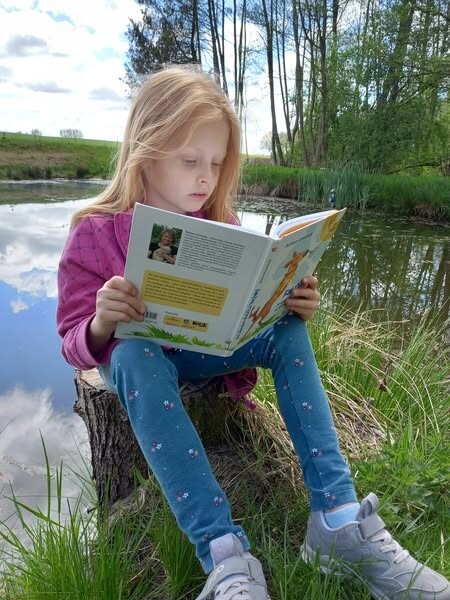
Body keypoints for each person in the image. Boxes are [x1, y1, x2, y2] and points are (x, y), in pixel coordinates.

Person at [57, 67, 449, 600]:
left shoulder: (223, 224)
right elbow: (71, 338)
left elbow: (245, 304)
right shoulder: (94, 231)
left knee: (287, 330)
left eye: (217, 163)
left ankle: (338, 521)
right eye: (190, 160)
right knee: (130, 356)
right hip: (143, 359)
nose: (205, 177)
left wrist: (288, 301)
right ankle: (224, 556)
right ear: (145, 151)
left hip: (205, 348)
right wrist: (103, 322)